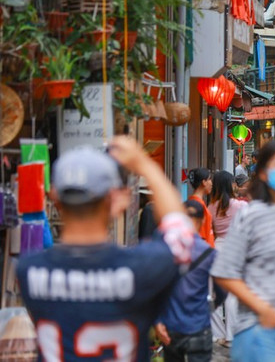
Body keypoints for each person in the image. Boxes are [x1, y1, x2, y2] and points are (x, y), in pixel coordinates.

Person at [16, 137, 194, 361]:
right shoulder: (140, 269)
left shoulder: (29, 271)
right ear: (118, 202)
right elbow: (181, 231)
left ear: (54, 198)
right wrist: (144, 164)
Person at [210, 138, 275, 361]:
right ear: (264, 173)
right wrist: (263, 309)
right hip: (258, 332)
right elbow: (223, 272)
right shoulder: (252, 214)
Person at [157, 199, 221, 362]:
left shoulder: (166, 249)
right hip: (199, 327)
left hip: (171, 327)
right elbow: (222, 290)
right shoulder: (209, 254)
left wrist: (158, 320)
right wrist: (208, 308)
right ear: (204, 221)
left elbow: (155, 288)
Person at [208, 171, 248, 346]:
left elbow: (212, 231)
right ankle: (232, 335)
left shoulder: (210, 207)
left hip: (217, 247)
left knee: (214, 294)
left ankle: (218, 333)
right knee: (233, 294)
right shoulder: (239, 206)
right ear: (230, 184)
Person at [188, 168, 215, 247]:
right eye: (209, 179)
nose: (211, 183)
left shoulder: (195, 203)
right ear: (204, 182)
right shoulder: (197, 206)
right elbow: (200, 237)